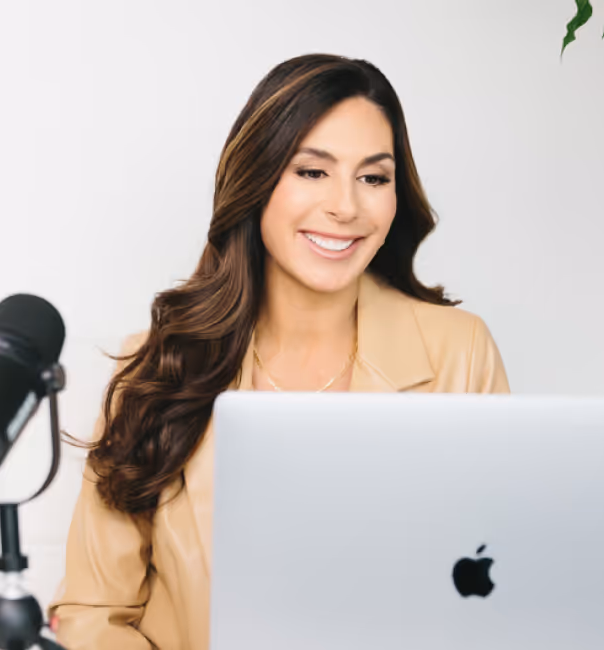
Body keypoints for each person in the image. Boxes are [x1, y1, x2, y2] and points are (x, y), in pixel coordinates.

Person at [47, 53, 511, 650]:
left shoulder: (459, 353)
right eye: (312, 172)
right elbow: (93, 613)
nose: (346, 206)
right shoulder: (159, 367)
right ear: (256, 179)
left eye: (373, 177)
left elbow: (496, 590)